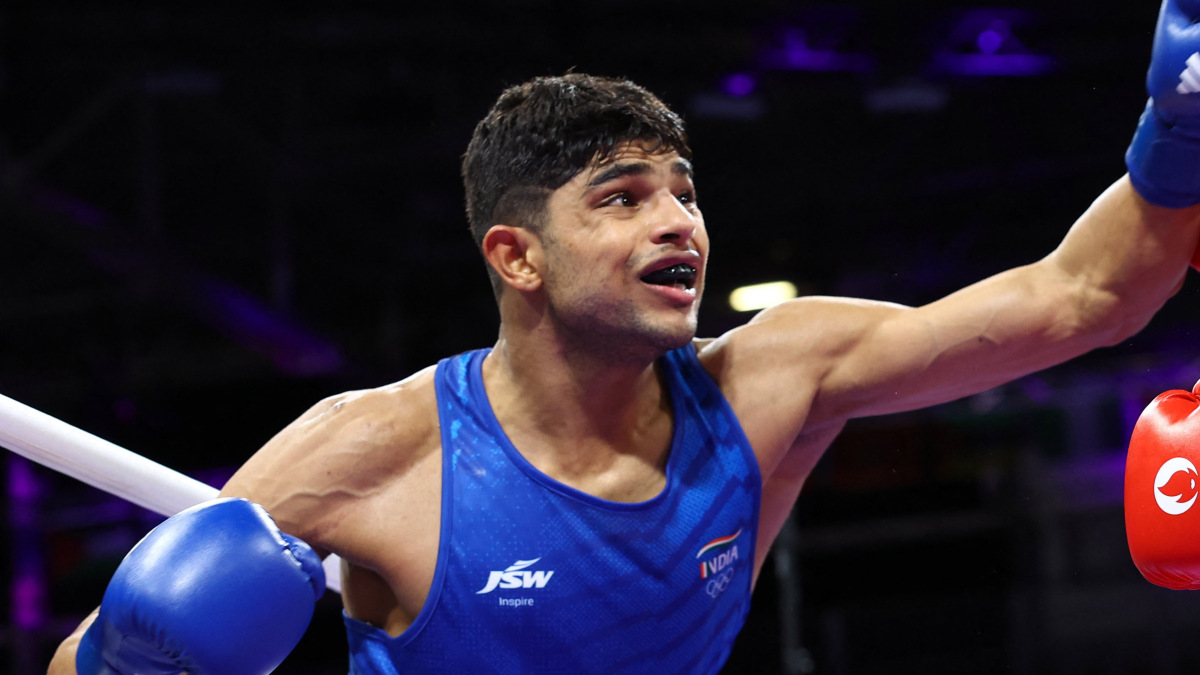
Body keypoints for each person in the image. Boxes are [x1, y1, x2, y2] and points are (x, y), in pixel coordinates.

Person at [48, 0, 1200, 672]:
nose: (678, 221)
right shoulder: (376, 450)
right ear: (518, 257)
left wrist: (1179, 128)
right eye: (623, 196)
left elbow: (1085, 300)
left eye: (683, 190)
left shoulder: (775, 377)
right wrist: (131, 659)